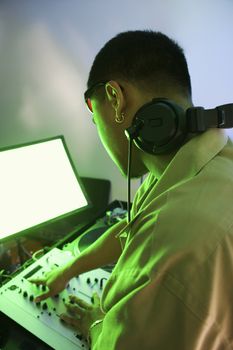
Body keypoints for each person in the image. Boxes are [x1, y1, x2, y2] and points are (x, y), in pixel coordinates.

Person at [29, 30, 233, 349]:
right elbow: (133, 227)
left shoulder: (180, 234)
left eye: (96, 121)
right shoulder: (188, 164)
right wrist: (70, 269)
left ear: (115, 98)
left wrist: (95, 323)